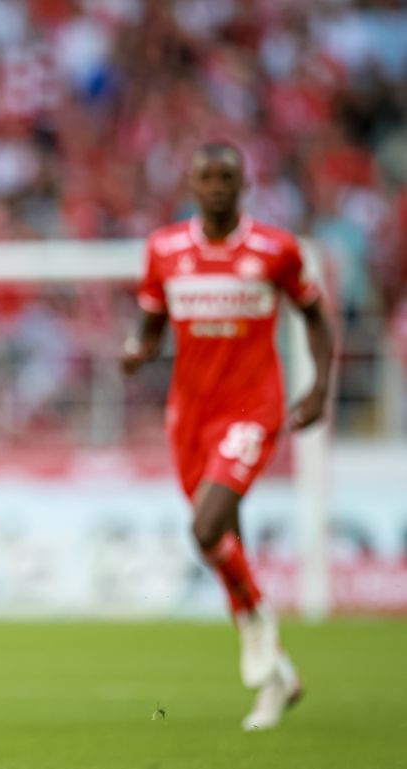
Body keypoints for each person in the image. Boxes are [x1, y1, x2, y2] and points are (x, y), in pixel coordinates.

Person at [121, 142, 335, 731]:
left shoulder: (276, 249)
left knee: (205, 528)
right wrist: (137, 349)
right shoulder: (165, 249)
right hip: (189, 415)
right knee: (224, 542)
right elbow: (150, 323)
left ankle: (260, 625)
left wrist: (319, 388)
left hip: (251, 410)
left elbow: (316, 317)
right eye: (207, 177)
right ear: (191, 185)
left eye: (226, 177)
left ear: (244, 185)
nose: (216, 186)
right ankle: (277, 677)